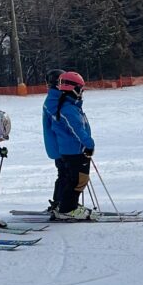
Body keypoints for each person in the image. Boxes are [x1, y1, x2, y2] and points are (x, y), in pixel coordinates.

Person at [50, 71, 97, 220]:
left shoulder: (71, 106)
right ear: (73, 89)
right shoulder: (68, 109)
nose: (82, 92)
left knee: (76, 179)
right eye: (80, 89)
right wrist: (89, 144)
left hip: (75, 150)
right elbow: (77, 130)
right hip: (73, 151)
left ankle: (69, 205)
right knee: (78, 180)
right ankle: (67, 209)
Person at [42, 69, 66, 213]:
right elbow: (59, 122)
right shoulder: (53, 100)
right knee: (65, 173)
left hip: (59, 144)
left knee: (64, 173)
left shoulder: (57, 97)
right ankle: (59, 202)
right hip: (58, 145)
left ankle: (60, 201)